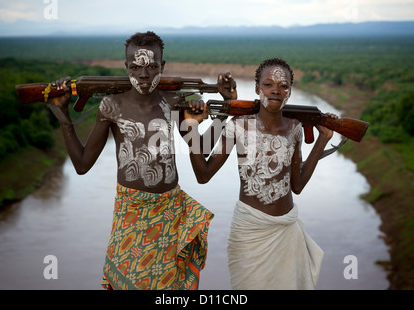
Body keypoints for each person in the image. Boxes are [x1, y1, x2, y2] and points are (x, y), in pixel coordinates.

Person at [49, 31, 236, 290]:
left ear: (163, 66)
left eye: (152, 67)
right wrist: (62, 114)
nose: (144, 75)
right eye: (136, 67)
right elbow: (81, 165)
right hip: (131, 215)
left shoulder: (173, 103)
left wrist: (225, 108)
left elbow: (201, 150)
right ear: (126, 67)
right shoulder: (111, 106)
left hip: (170, 215)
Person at [184, 57, 337, 290]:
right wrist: (193, 129)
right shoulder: (238, 125)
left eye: (283, 86)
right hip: (249, 233)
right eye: (268, 84)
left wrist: (322, 140)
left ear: (290, 91)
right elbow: (203, 175)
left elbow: (297, 185)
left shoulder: (294, 128)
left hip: (286, 230)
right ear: (257, 88)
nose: (275, 90)